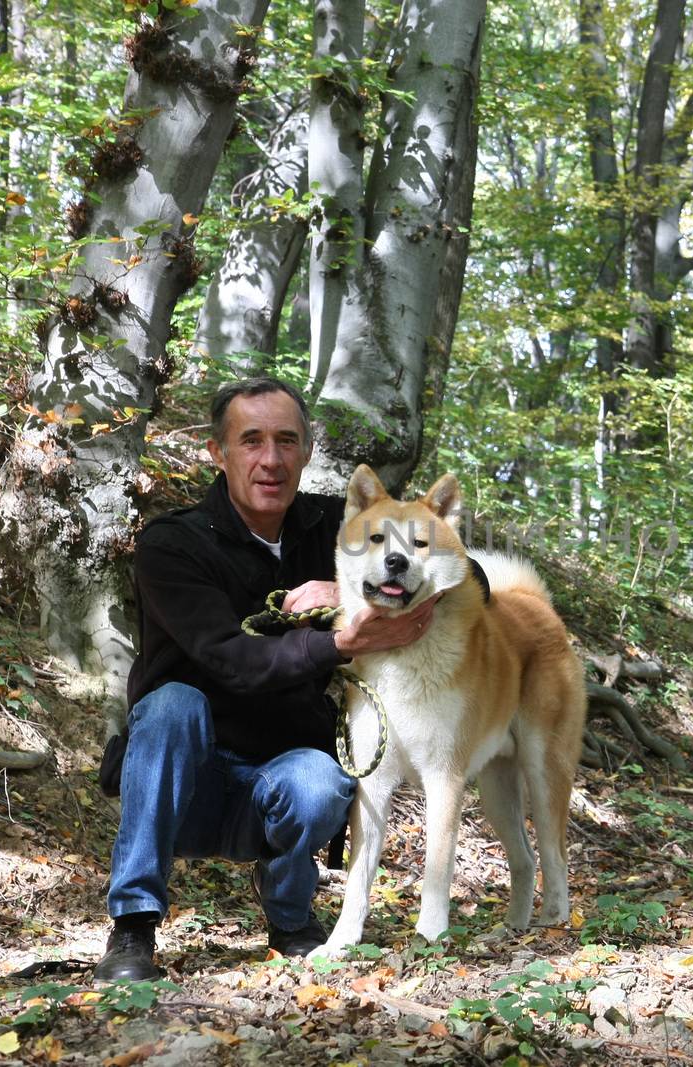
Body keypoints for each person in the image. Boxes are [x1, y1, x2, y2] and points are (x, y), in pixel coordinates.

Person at [93, 377, 436, 981]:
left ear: (306, 451)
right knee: (172, 704)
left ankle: (291, 919)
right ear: (218, 453)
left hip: (278, 782)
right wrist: (337, 642)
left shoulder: (340, 528)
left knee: (322, 778)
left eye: (286, 441)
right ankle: (133, 929)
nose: (270, 459)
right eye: (250, 441)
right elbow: (229, 658)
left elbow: (466, 573)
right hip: (183, 787)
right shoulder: (173, 543)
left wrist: (349, 586)